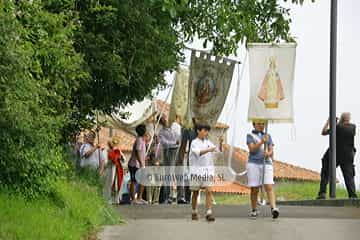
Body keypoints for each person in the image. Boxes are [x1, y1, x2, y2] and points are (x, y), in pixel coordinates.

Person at [317, 113, 358, 199]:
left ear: (341, 119)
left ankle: (322, 193)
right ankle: (353, 196)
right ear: (349, 119)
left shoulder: (337, 127)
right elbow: (343, 130)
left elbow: (323, 132)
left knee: (325, 173)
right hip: (348, 155)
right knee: (349, 176)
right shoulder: (353, 127)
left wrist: (329, 121)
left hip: (334, 153)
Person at [246, 120, 279, 219]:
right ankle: (254, 209)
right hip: (253, 163)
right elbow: (252, 149)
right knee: (254, 188)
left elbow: (271, 150)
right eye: (259, 124)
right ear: (254, 124)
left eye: (262, 124)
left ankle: (273, 208)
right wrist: (261, 142)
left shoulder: (268, 136)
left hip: (266, 163)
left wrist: (268, 154)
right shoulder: (250, 136)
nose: (261, 126)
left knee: (268, 185)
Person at [190, 123, 222, 222]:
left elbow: (218, 151)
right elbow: (198, 153)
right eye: (204, 130)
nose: (206, 132)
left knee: (209, 190)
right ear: (198, 131)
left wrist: (220, 143)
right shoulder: (194, 142)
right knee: (195, 192)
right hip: (196, 172)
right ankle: (194, 211)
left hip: (207, 171)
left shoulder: (209, 142)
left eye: (207, 131)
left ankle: (209, 212)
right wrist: (209, 150)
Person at [158, 115, 179, 204]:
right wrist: (174, 142)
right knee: (168, 174)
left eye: (165, 118)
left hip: (176, 151)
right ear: (161, 122)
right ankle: (166, 196)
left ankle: (171, 195)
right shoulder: (161, 132)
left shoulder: (173, 128)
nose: (165, 120)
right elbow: (164, 143)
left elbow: (178, 137)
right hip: (168, 153)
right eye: (163, 120)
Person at [128, 124, 148, 204]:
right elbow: (138, 152)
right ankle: (133, 199)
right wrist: (141, 163)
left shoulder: (142, 140)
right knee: (134, 181)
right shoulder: (139, 140)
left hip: (140, 164)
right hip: (134, 164)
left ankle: (140, 197)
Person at [107, 136, 126, 204]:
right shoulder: (107, 151)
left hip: (118, 170)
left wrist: (120, 157)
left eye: (114, 143)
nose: (113, 144)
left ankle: (116, 199)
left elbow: (124, 159)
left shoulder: (119, 151)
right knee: (110, 184)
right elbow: (107, 161)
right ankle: (109, 199)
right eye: (112, 143)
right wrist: (112, 159)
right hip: (110, 169)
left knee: (117, 184)